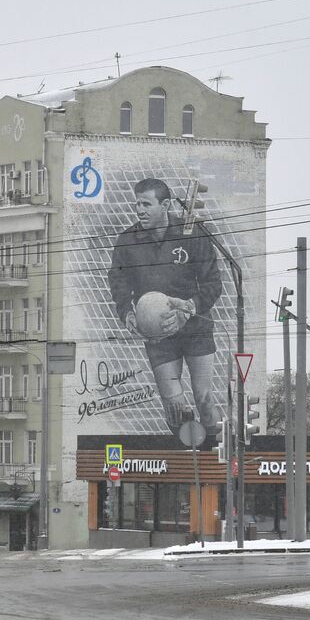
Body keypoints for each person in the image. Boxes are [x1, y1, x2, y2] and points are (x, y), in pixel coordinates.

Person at [107, 178, 223, 436]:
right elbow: (118, 279)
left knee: (204, 398)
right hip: (157, 331)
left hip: (195, 328)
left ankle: (215, 456)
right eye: (137, 204)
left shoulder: (193, 233)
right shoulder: (128, 240)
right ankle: (189, 455)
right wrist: (126, 311)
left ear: (166, 205)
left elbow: (213, 282)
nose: (139, 210)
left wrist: (189, 308)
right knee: (174, 404)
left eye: (146, 204)